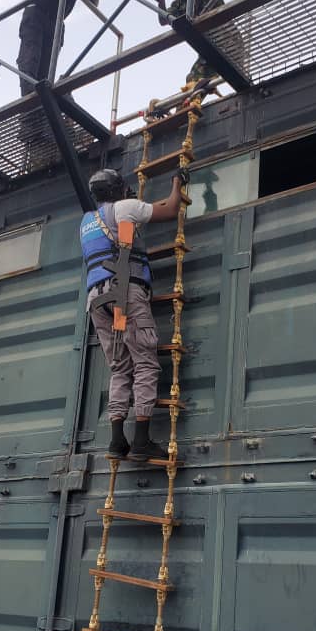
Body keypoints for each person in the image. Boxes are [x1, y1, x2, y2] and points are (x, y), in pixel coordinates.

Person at [81, 169, 187, 461]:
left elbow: (118, 242)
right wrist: (177, 182)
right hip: (125, 294)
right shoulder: (125, 208)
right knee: (145, 363)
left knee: (120, 366)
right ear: (116, 189)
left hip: (100, 300)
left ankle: (117, 441)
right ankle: (141, 440)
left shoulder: (86, 222)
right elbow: (170, 208)